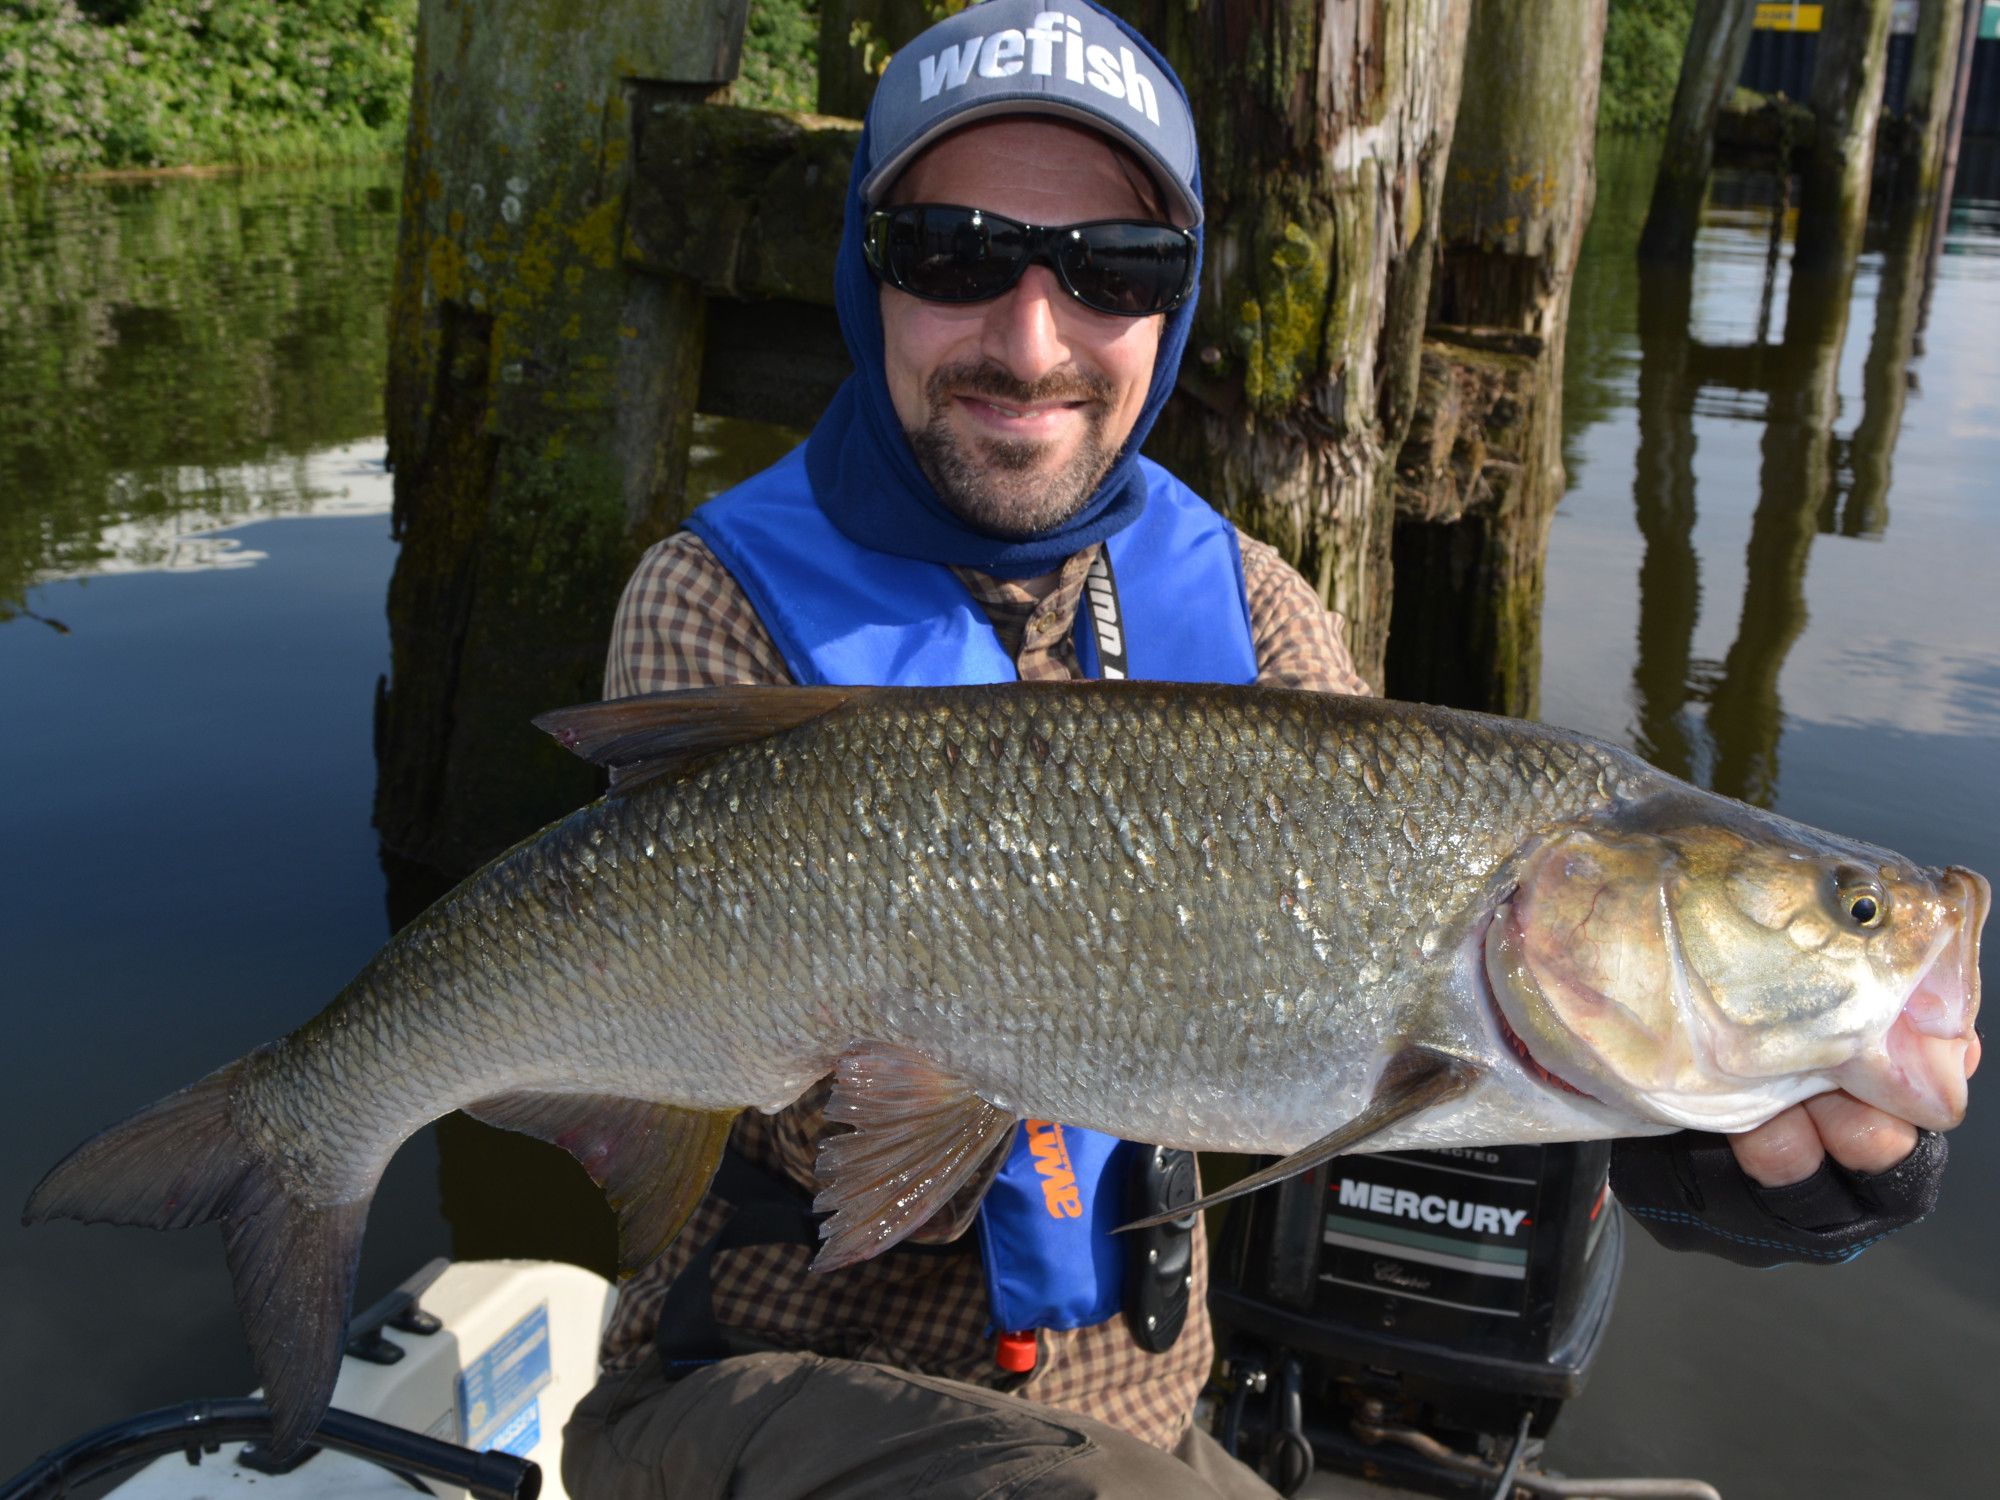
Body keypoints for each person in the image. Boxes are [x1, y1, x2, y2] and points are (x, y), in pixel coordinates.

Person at [562, 5, 1956, 1496]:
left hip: (1145, 1420)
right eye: (953, 254)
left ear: (1172, 308)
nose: (1030, 340)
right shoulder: (712, 594)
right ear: (866, 270)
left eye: (1115, 268)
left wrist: (1681, 1125)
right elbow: (730, 1053)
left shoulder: (1253, 611)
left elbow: (1405, 1031)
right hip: (757, 1383)